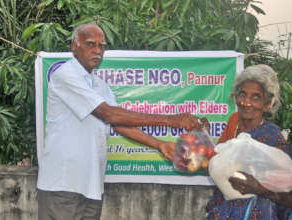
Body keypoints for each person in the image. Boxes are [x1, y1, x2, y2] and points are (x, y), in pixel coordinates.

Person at [36, 23, 206, 220]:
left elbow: (119, 124)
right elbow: (108, 114)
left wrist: (159, 144)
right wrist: (170, 120)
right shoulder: (65, 74)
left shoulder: (99, 85)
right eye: (91, 44)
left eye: (102, 46)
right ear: (74, 46)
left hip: (91, 186)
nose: (97, 51)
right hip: (62, 184)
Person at [205, 64, 292, 220]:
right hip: (222, 210)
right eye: (243, 94)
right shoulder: (234, 122)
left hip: (257, 213)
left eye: (256, 97)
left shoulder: (271, 137)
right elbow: (217, 162)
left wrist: (260, 189)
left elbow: (289, 195)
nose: (246, 102)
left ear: (267, 104)